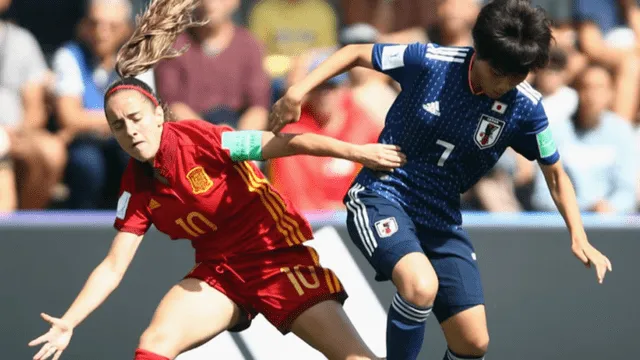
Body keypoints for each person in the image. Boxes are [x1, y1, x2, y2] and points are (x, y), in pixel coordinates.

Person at [27, 1, 406, 360]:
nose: (130, 131)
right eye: (118, 125)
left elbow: (286, 143)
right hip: (221, 274)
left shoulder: (202, 139)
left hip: (277, 260)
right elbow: (113, 266)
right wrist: (70, 322)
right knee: (153, 344)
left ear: (159, 113)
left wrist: (358, 152)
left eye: (136, 118)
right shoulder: (136, 184)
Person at [268, 1, 613, 359]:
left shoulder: (525, 107)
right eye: (499, 72)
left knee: (473, 342)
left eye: (517, 75)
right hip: (385, 193)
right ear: (479, 51)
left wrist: (578, 234)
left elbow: (554, 174)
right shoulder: (430, 62)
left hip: (442, 216)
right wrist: (297, 91)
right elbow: (355, 52)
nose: (505, 84)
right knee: (420, 286)